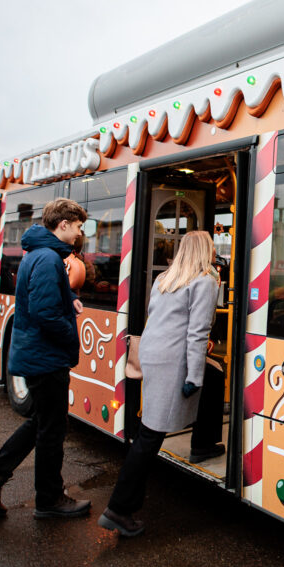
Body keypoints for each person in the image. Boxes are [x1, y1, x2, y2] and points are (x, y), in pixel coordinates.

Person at [0, 198, 90, 519]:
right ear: (63, 224)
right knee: (51, 429)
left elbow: (46, 299)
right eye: (77, 226)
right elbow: (45, 312)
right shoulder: (50, 258)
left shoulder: (38, 255)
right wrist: (69, 335)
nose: (79, 233)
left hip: (37, 354)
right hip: (47, 357)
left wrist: (70, 300)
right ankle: (49, 500)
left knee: (43, 421)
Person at [98, 230, 219, 537]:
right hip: (171, 360)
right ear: (206, 250)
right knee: (150, 436)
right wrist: (194, 376)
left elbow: (156, 318)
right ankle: (118, 509)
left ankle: (123, 506)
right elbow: (197, 333)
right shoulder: (205, 281)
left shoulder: (164, 279)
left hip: (153, 354)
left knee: (149, 431)